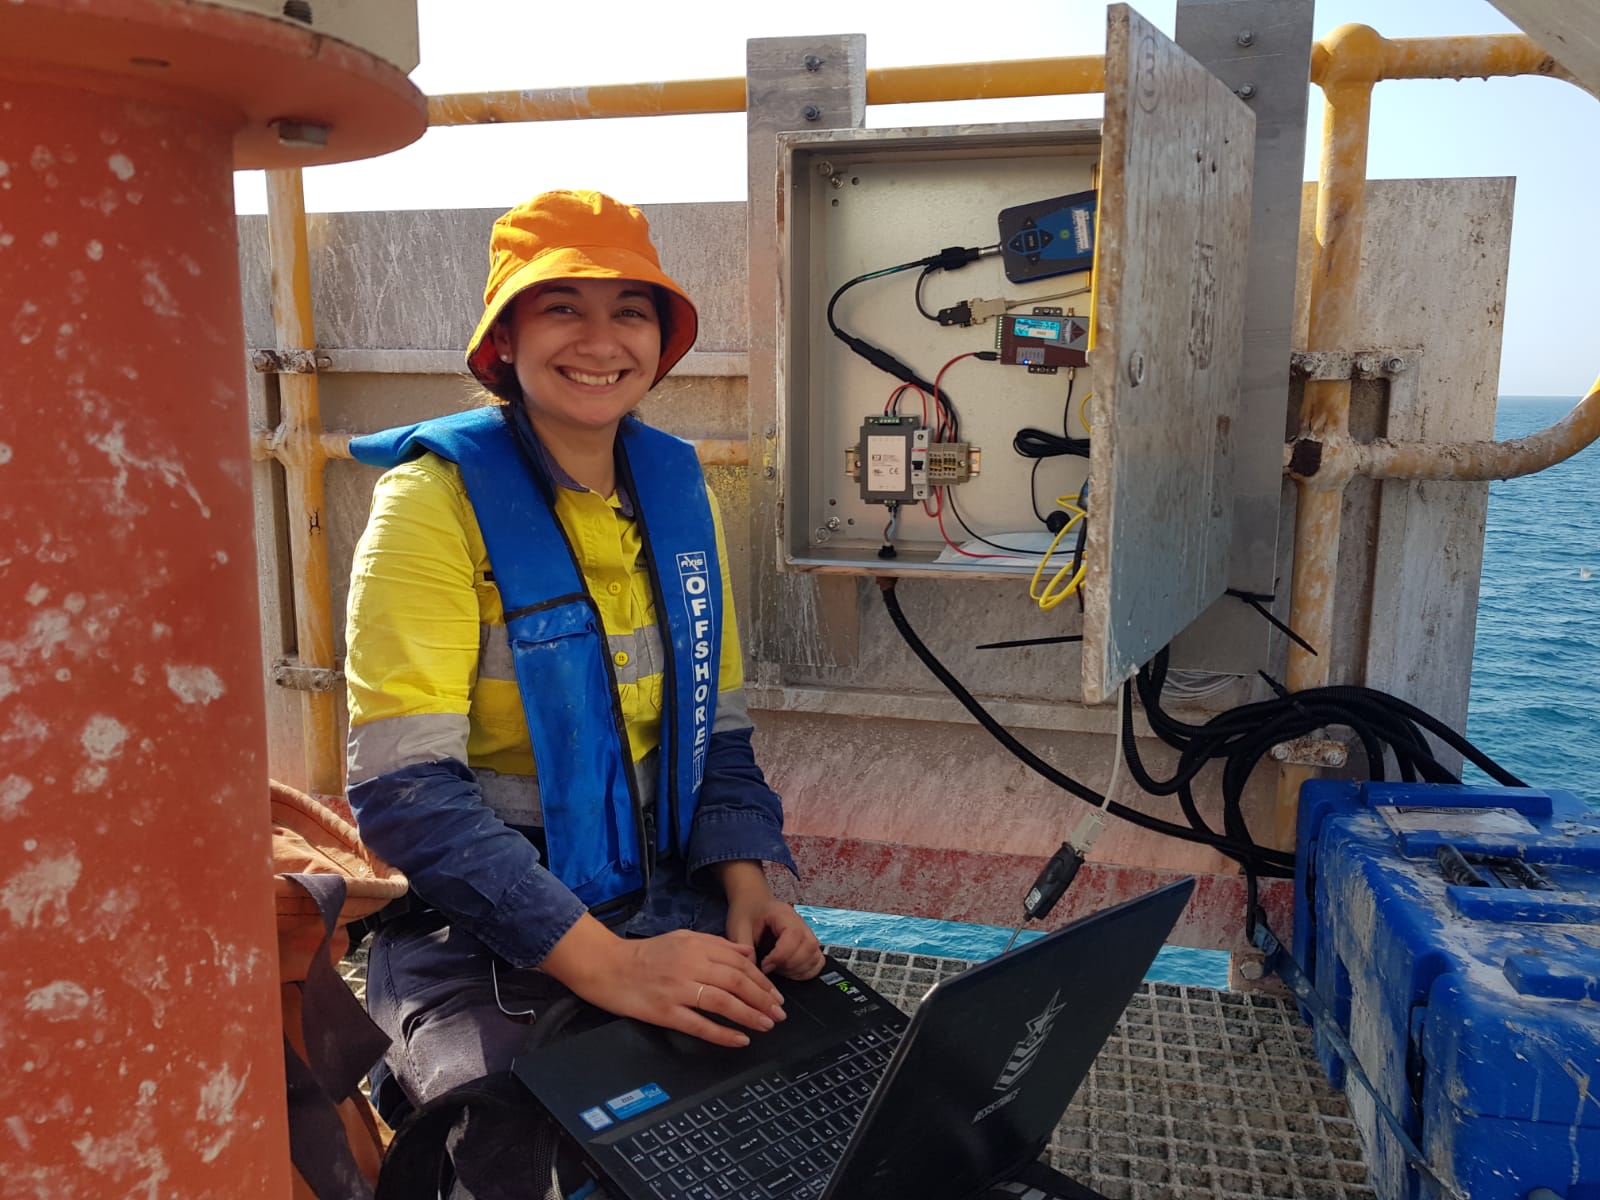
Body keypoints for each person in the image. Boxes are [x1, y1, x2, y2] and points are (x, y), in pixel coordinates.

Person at [343, 189, 824, 1199]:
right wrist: (607, 966)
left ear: (661, 341)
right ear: (503, 340)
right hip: (481, 917)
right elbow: (405, 795)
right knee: (515, 1156)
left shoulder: (678, 493)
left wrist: (747, 889)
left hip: (664, 886)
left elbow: (718, 736)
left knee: (807, 1091)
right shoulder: (429, 505)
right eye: (561, 306)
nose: (601, 339)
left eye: (631, 310)